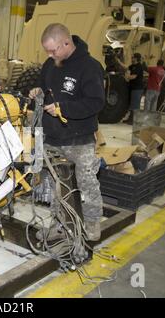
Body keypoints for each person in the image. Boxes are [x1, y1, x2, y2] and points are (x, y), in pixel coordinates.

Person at [29, 23, 105, 241]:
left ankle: (92, 223)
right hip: (53, 137)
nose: (51, 55)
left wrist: (64, 109)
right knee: (56, 185)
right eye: (47, 51)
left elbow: (96, 102)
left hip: (79, 139)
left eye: (54, 50)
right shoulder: (50, 65)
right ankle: (60, 223)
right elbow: (43, 86)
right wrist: (37, 91)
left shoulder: (89, 67)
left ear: (66, 42)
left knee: (87, 182)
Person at [116, 53, 144, 124]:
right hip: (132, 88)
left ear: (136, 58)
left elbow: (134, 76)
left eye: (132, 57)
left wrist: (124, 77)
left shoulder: (139, 66)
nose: (131, 59)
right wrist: (118, 61)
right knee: (132, 104)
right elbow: (126, 67)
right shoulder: (133, 66)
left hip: (137, 89)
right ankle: (130, 119)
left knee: (135, 105)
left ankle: (134, 120)